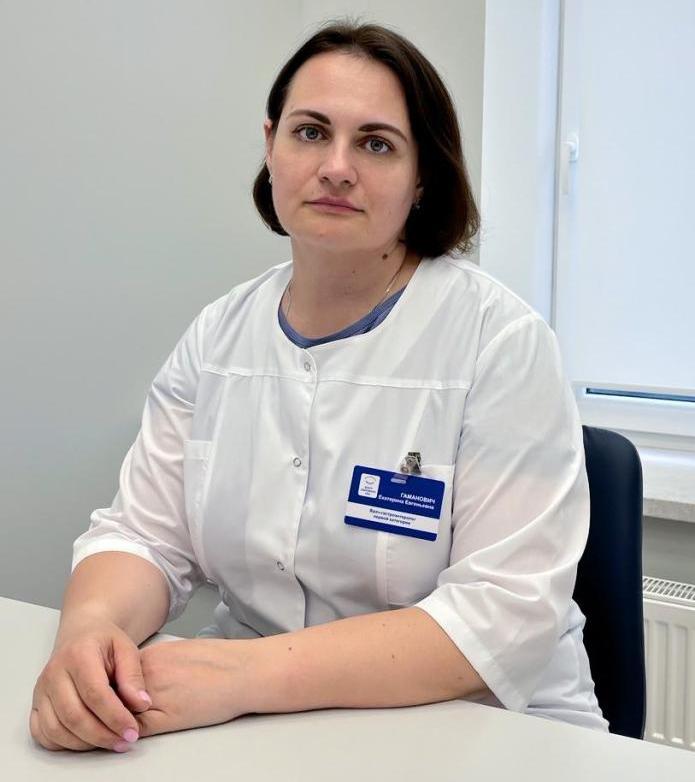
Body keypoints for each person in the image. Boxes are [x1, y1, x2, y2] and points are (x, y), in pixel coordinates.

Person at [29, 20, 608, 754]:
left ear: (422, 176)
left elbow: (500, 616)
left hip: (486, 730)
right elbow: (144, 535)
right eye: (310, 133)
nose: (336, 168)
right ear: (271, 146)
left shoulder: (499, 343)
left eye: (376, 144)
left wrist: (245, 674)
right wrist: (88, 633)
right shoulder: (218, 336)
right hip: (261, 725)